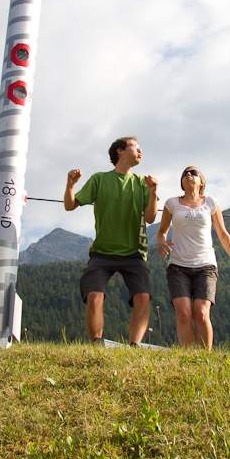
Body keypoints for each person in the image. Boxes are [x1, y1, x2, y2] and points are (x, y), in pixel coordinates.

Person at [64, 137, 159, 345]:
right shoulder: (99, 179)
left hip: (134, 253)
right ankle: (97, 344)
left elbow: (151, 218)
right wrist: (70, 185)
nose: (141, 151)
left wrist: (153, 194)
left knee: (143, 297)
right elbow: (70, 206)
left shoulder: (141, 183)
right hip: (102, 253)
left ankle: (135, 346)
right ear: (120, 151)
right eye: (135, 147)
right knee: (94, 296)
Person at [156, 166, 230, 351]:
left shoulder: (211, 203)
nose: (188, 175)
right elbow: (161, 232)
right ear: (181, 182)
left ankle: (204, 359)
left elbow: (223, 234)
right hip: (178, 267)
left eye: (194, 173)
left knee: (201, 313)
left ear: (201, 182)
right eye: (185, 174)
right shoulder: (171, 203)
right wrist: (161, 242)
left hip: (206, 266)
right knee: (184, 314)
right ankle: (188, 357)